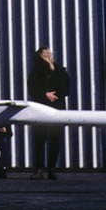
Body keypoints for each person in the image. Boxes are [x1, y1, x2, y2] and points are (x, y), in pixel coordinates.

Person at [27, 47, 71, 179]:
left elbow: (66, 89)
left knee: (55, 139)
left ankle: (52, 168)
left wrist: (53, 95)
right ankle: (39, 169)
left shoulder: (60, 72)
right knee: (40, 139)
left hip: (57, 109)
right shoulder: (36, 73)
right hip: (40, 109)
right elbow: (32, 89)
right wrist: (45, 95)